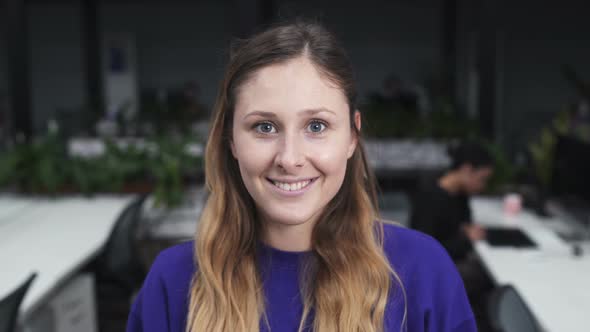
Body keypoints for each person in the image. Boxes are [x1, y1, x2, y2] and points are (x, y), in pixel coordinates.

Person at [127, 21, 476, 332]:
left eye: (316, 126)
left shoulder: (425, 275)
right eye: (264, 127)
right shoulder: (171, 283)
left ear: (352, 137)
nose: (290, 158)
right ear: (231, 139)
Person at [409, 141, 495, 330]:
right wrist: (465, 239)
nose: (482, 186)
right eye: (482, 178)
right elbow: (426, 254)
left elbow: (464, 222)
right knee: (487, 279)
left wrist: (465, 234)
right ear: (466, 169)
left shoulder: (459, 194)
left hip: (450, 261)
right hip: (433, 273)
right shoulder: (430, 198)